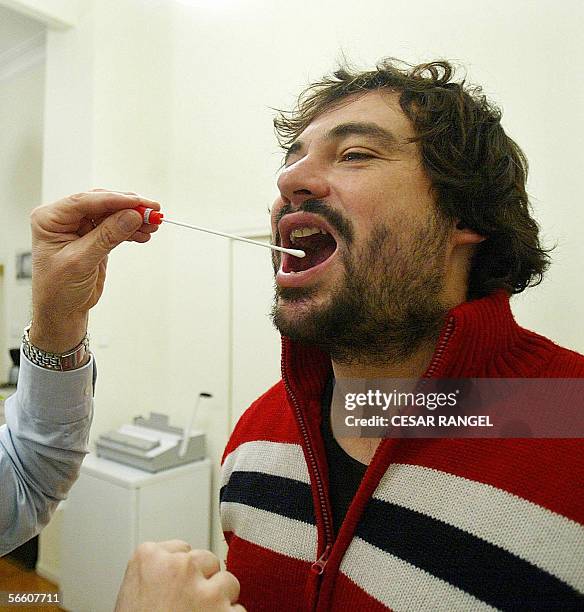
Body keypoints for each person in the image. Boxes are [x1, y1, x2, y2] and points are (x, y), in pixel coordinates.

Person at [14, 58, 584, 610]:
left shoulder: (570, 418)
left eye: (355, 153)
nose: (289, 178)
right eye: (291, 160)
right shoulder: (260, 434)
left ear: (466, 215)